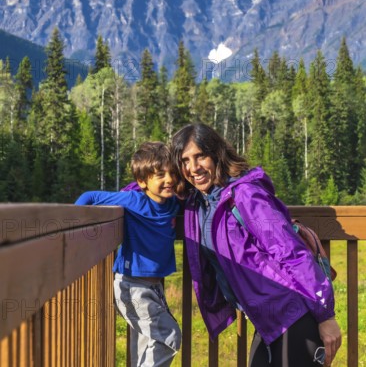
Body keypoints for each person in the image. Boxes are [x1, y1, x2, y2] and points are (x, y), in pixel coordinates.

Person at [171, 123, 341, 367]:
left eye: (200, 156)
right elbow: (150, 189)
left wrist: (326, 317)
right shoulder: (200, 202)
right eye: (185, 160)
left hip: (292, 313)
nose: (193, 167)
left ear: (216, 154)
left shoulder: (245, 195)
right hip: (267, 321)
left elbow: (292, 252)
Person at [75, 141, 182, 367]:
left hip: (154, 288)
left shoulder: (173, 203)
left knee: (145, 346)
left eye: (172, 172)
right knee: (170, 337)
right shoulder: (134, 200)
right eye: (160, 174)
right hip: (132, 286)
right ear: (142, 182)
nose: (169, 179)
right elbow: (90, 197)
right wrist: (75, 226)